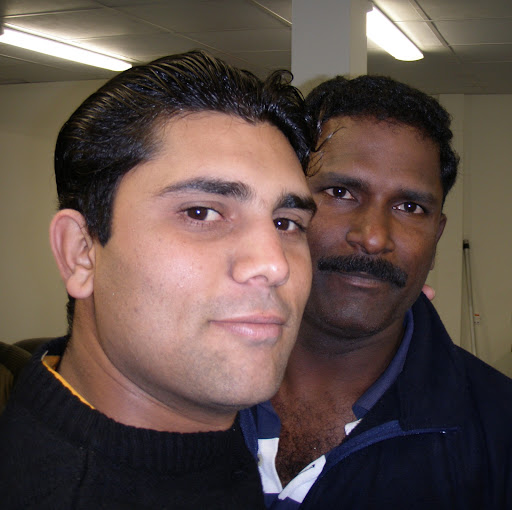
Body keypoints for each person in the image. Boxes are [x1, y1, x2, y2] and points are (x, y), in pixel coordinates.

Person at [0, 51, 317, 509]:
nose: (274, 264)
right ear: (81, 252)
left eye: (287, 223)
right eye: (200, 213)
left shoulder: (205, 440)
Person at [241, 75, 512, 509]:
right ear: (283, 209)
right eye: (341, 192)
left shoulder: (498, 432)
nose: (372, 237)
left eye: (410, 207)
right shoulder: (176, 384)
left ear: (437, 235)